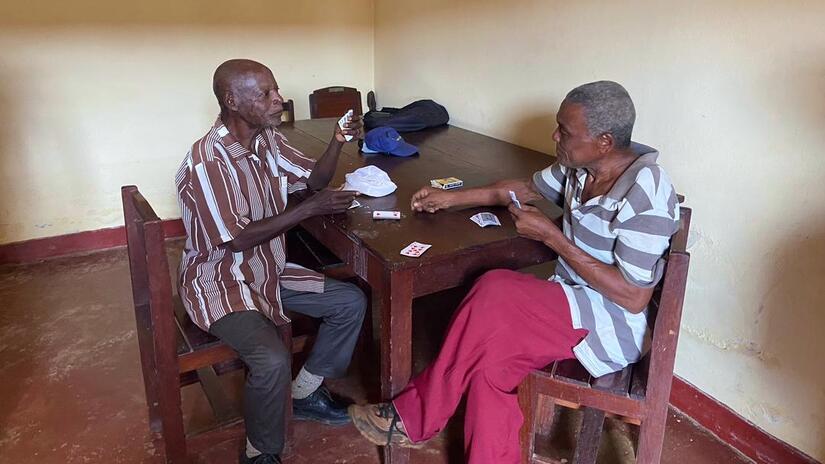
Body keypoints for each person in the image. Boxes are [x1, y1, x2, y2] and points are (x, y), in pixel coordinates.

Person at [349, 81, 680, 464]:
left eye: (565, 131)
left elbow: (633, 296)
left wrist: (553, 238)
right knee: (490, 367)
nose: (555, 136)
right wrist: (453, 198)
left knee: (494, 287)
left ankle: (413, 416)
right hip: (570, 298)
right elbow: (520, 190)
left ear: (604, 141)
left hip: (611, 321)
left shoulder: (647, 190)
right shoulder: (582, 168)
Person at [175, 59, 367, 464]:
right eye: (266, 94)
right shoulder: (208, 162)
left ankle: (305, 393)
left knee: (350, 302)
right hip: (219, 283)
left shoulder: (266, 139)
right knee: (271, 358)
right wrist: (306, 211)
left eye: (275, 90)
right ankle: (260, 451)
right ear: (232, 101)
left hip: (268, 270)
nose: (279, 99)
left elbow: (313, 180)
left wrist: (337, 141)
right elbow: (236, 238)